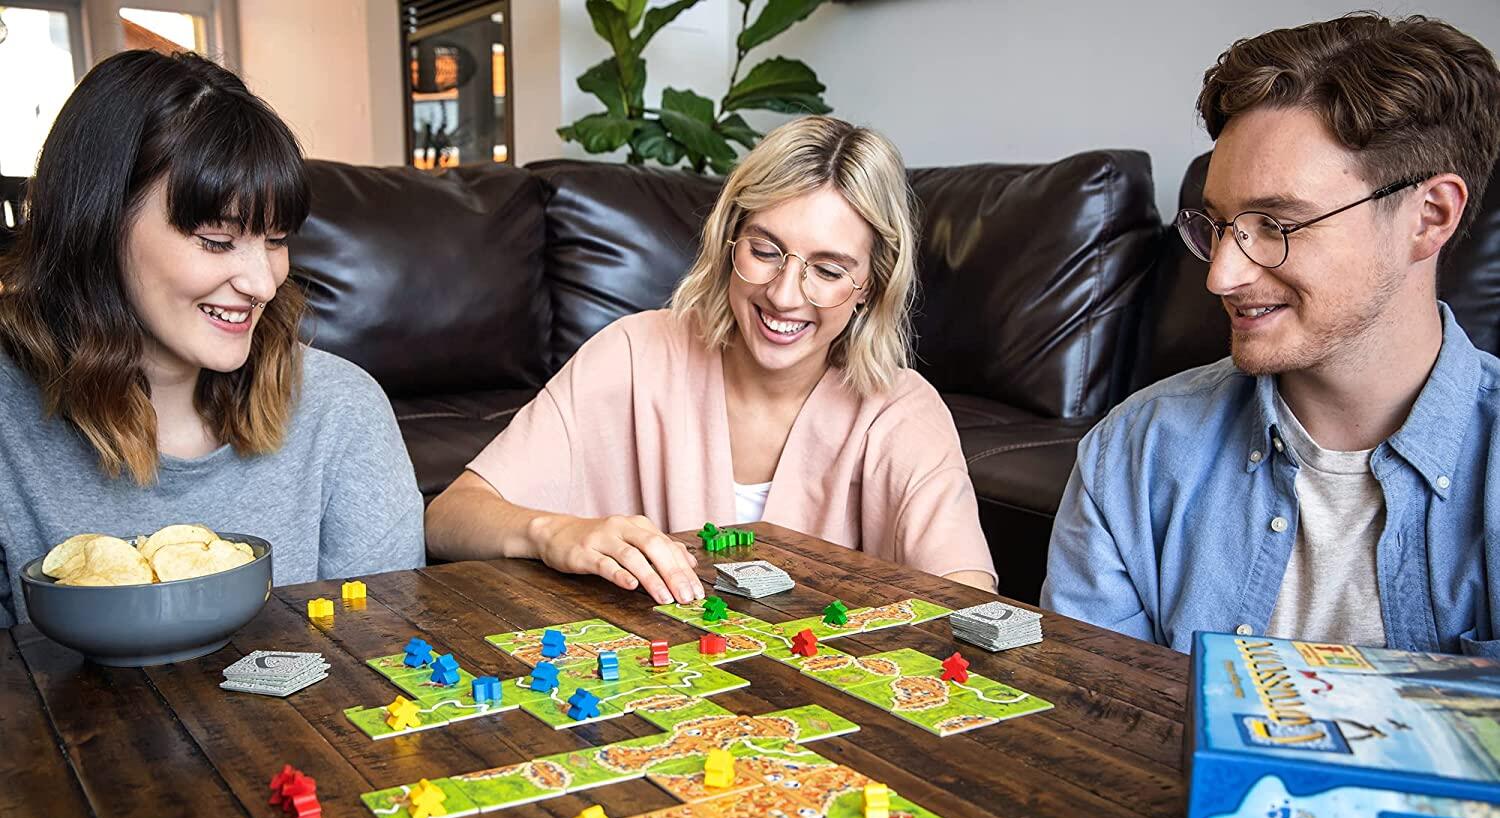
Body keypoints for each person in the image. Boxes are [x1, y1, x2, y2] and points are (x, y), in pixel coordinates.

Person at [1043, 13, 1500, 654]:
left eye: (1277, 225)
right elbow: (1098, 701)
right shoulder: (1131, 456)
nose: (1221, 276)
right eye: (1219, 226)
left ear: (1429, 217)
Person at [425, 115, 996, 603]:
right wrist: (552, 532)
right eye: (765, 251)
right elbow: (450, 517)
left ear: (871, 284)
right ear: (729, 241)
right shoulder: (633, 353)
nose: (784, 295)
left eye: (827, 270)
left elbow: (969, 597)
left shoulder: (901, 410)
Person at [0, 50, 425, 628]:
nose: (263, 284)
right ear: (96, 225)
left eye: (276, 239)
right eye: (217, 241)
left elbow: (382, 643)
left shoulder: (343, 410)